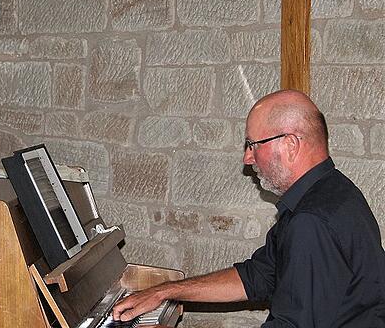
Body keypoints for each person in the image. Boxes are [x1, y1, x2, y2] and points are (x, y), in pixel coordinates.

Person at [113, 90, 385, 327]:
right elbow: (259, 275)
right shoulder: (329, 190)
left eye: (253, 144)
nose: (247, 157)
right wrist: (166, 291)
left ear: (290, 145)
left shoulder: (311, 221)